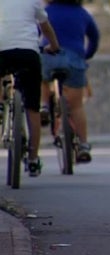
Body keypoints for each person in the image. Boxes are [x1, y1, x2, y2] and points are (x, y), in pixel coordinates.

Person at [0, 0, 60, 177]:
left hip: (2, 52)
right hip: (28, 54)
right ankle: (33, 159)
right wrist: (54, 46)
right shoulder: (33, 1)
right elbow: (45, 26)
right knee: (32, 108)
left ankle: (1, 104)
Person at [40, 0, 100, 163]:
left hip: (49, 57)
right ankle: (83, 145)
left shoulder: (47, 11)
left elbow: (35, 31)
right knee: (76, 106)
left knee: (42, 78)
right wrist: (87, 54)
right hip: (74, 59)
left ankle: (44, 105)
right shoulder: (82, 13)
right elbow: (94, 37)